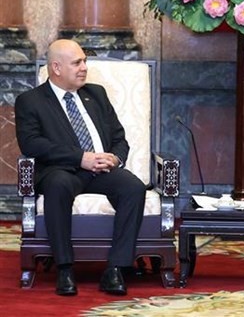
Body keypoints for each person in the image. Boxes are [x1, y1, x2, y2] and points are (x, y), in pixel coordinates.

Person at [14, 39, 146, 296]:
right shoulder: (30, 101)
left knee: (133, 187)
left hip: (101, 170)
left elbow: (119, 138)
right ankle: (64, 268)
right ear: (56, 68)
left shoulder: (96, 93)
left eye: (84, 61)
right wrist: (80, 158)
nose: (84, 67)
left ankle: (116, 269)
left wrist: (115, 159)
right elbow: (31, 144)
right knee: (58, 185)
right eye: (77, 63)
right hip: (60, 170)